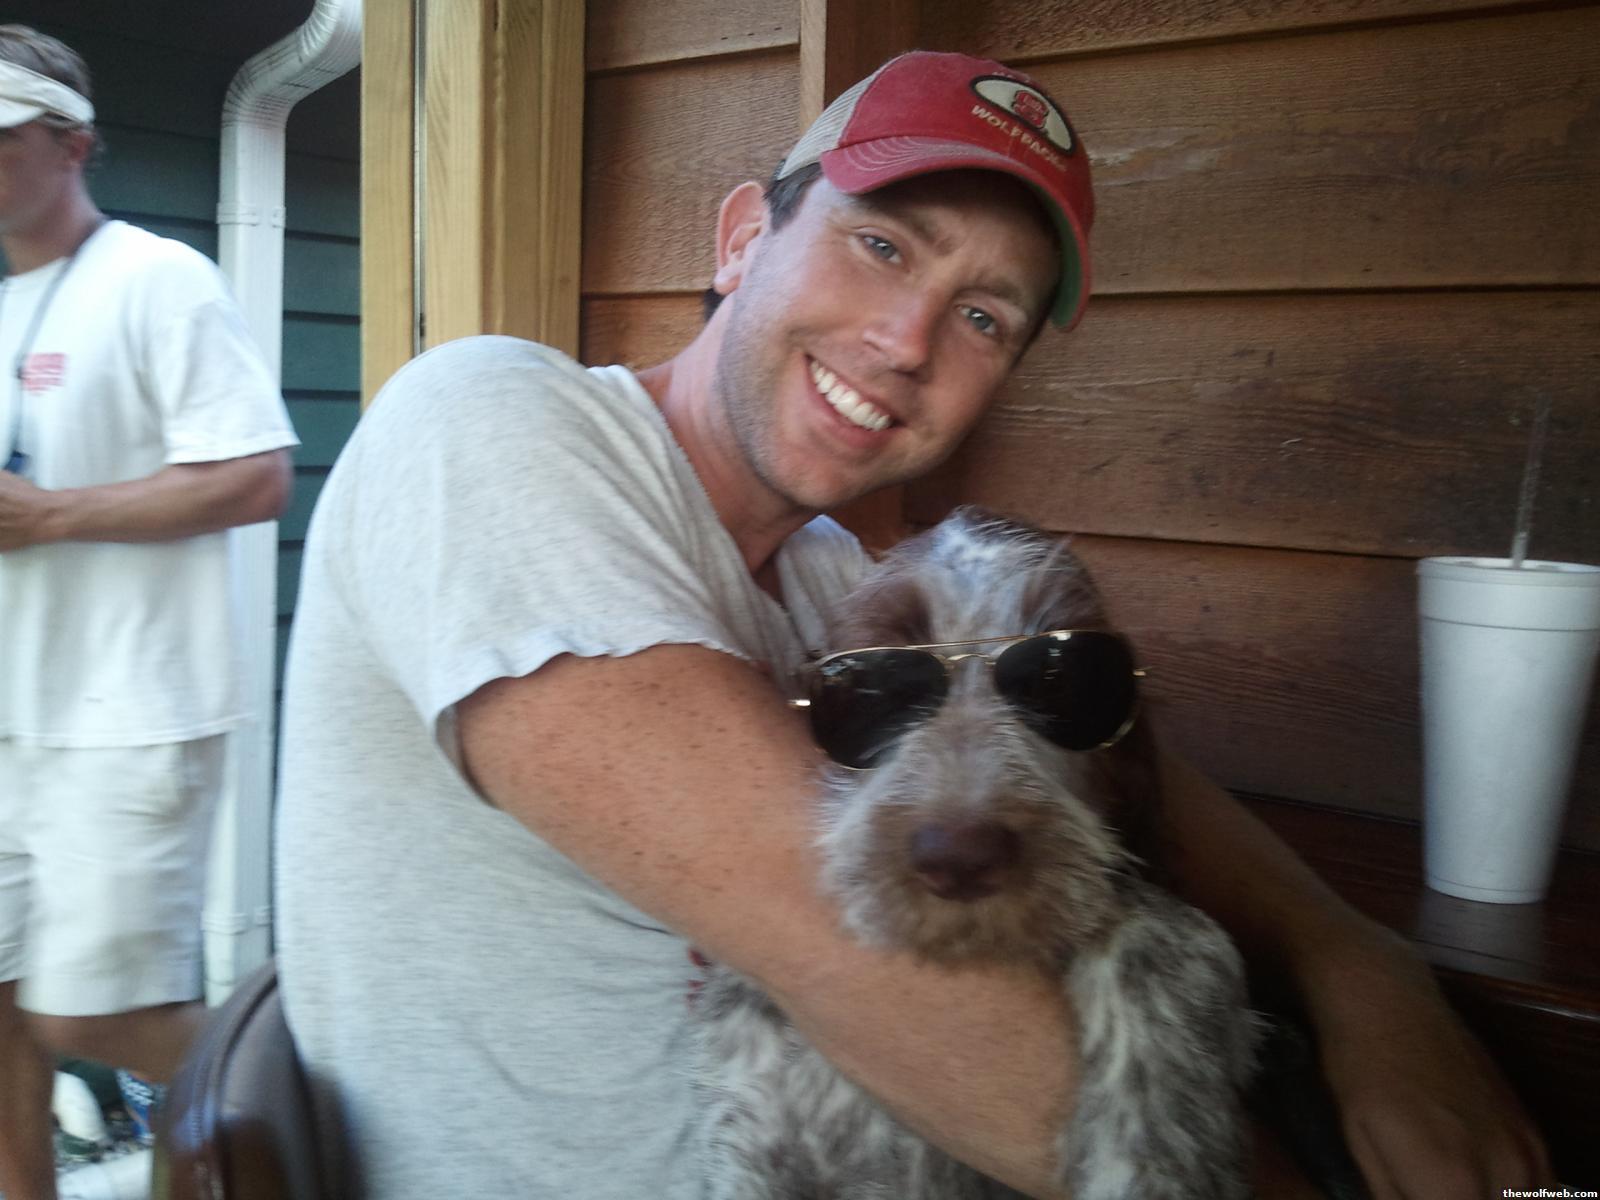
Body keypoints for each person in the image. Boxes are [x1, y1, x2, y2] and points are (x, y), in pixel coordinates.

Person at [275, 50, 1546, 1200]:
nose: (905, 342)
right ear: (741, 238)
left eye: (984, 316)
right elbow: (865, 962)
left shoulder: (835, 580)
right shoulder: (492, 424)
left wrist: (1361, 969)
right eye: (881, 245)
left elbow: (1120, 750)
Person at [0, 26, 298, 1200]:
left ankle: (327, 1105)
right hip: (11, 713)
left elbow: (257, 474)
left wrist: (53, 516)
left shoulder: (158, 279)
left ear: (71, 143)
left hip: (127, 717)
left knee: (91, 1013)